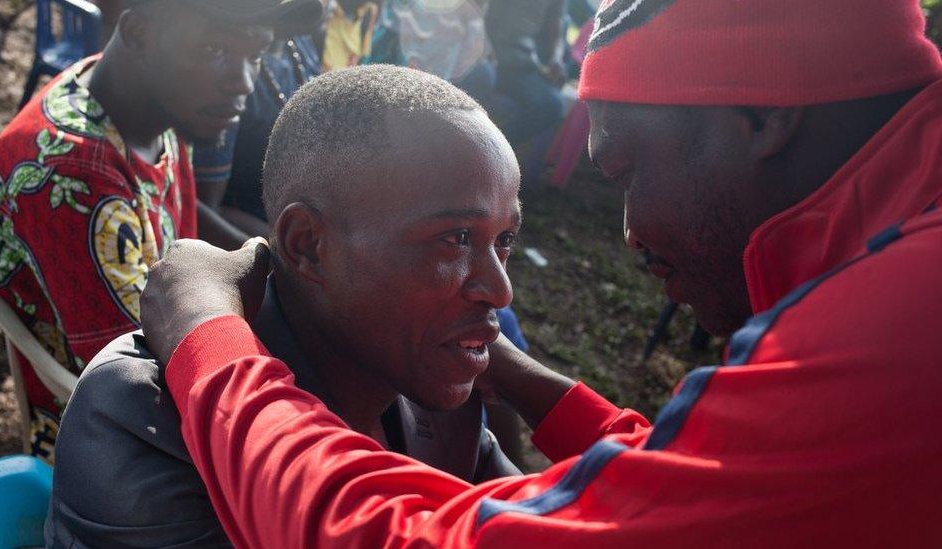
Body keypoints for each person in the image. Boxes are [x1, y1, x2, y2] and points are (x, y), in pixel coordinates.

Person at [137, 0, 942, 546]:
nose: (629, 232)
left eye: (624, 170)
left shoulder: (895, 331)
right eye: (454, 236)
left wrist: (208, 339)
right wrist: (522, 379)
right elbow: (708, 486)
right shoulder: (896, 286)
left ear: (763, 117)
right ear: (306, 246)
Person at [46, 65, 524, 547]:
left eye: (504, 240)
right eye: (455, 238)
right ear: (309, 244)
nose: (500, 291)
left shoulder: (432, 390)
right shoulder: (144, 421)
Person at [0, 0, 321, 462]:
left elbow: (180, 215)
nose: (243, 80)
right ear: (136, 35)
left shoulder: (139, 98)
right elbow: (138, 382)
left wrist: (290, 265)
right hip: (113, 437)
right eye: (215, 48)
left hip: (172, 330)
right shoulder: (73, 176)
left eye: (253, 54)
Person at [194, 34, 322, 248]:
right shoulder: (234, 83)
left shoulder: (300, 43)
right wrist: (284, 251)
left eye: (256, 56)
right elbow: (207, 207)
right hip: (258, 233)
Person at [485, 0, 567, 150]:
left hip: (520, 62)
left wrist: (556, 58)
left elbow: (556, 32)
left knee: (552, 105)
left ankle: (491, 149)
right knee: (482, 75)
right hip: (483, 52)